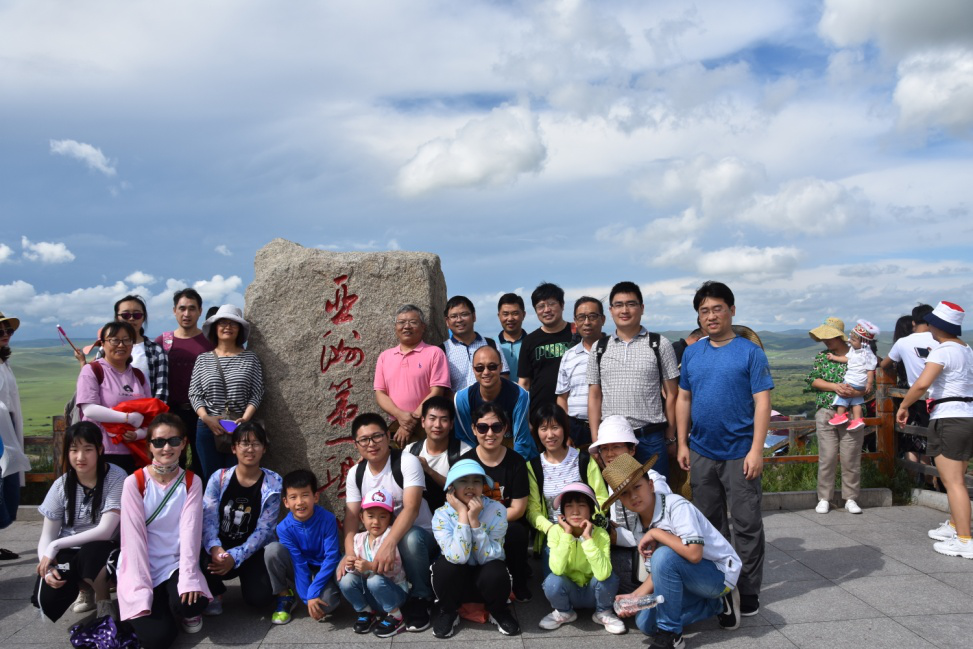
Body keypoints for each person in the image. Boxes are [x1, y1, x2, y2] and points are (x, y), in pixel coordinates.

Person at [675, 281, 772, 618]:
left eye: (717, 308)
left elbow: (763, 402)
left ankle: (749, 590)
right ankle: (721, 585)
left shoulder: (750, 352)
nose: (711, 316)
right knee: (709, 525)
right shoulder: (693, 352)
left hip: (740, 451)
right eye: (704, 311)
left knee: (746, 524)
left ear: (732, 310)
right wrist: (682, 442)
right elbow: (683, 398)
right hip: (701, 450)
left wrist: (757, 450)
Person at [603, 454, 742, 649]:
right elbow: (658, 571)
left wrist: (656, 533)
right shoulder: (637, 525)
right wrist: (635, 596)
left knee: (663, 555)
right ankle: (718, 604)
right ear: (620, 501)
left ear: (651, 485)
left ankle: (671, 635)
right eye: (625, 493)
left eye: (637, 487)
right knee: (646, 623)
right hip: (687, 580)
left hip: (718, 574)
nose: (633, 496)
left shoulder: (676, 505)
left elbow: (694, 554)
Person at [118, 413, 211, 649]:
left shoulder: (191, 481)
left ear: (184, 443)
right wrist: (141, 589)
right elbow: (133, 540)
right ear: (149, 445)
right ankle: (156, 603)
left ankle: (176, 606)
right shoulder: (135, 482)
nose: (166, 447)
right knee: (158, 639)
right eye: (159, 442)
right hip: (142, 564)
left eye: (173, 441)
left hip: (175, 563)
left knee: (191, 602)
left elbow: (190, 532)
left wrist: (189, 578)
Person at [341, 413, 436, 632]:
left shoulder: (406, 462)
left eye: (377, 436)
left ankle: (421, 598)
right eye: (364, 439)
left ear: (388, 436)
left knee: (409, 538)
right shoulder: (356, 473)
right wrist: (349, 554)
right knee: (347, 567)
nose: (371, 443)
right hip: (380, 540)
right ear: (356, 444)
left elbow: (411, 508)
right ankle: (378, 605)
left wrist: (389, 543)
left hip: (420, 538)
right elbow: (352, 517)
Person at [897, 302, 973, 558]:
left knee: (953, 482)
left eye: (931, 323)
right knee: (957, 478)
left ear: (938, 326)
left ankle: (964, 539)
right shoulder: (966, 349)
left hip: (949, 418)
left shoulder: (942, 351)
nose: (928, 327)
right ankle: (954, 525)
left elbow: (922, 385)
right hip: (967, 416)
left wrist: (904, 406)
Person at [33, 421, 125, 621]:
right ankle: (84, 588)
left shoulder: (116, 477)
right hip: (70, 547)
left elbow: (105, 531)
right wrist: (46, 567)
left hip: (104, 545)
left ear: (100, 450)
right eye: (74, 450)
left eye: (88, 449)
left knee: (92, 555)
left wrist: (55, 546)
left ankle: (103, 599)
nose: (80, 457)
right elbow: (47, 535)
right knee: (47, 600)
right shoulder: (61, 485)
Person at [588, 281, 680, 478]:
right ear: (611, 310)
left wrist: (670, 437)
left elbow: (673, 394)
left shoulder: (659, 344)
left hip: (651, 438)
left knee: (656, 491)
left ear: (642, 308)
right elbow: (594, 396)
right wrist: (596, 441)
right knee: (620, 495)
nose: (625, 310)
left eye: (631, 304)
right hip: (613, 441)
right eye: (619, 305)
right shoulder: (599, 347)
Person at [430, 459, 519, 638]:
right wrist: (463, 515)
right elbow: (458, 557)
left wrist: (475, 521)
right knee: (444, 567)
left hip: (486, 580)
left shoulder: (497, 510)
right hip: (457, 582)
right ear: (451, 487)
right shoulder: (441, 515)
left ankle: (498, 611)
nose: (470, 486)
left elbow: (488, 557)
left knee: (496, 569)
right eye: (463, 481)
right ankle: (448, 611)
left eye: (476, 481)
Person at [200, 422, 280, 615]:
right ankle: (215, 592)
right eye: (244, 443)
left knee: (260, 598)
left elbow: (265, 530)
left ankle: (249, 579)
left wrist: (235, 556)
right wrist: (216, 548)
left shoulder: (273, 482)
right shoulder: (219, 478)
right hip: (220, 547)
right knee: (202, 558)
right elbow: (208, 519)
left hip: (252, 551)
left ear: (264, 448)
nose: (250, 449)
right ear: (234, 448)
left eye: (256, 443)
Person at [588, 416, 672, 595]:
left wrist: (617, 536)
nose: (609, 454)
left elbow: (664, 534)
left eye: (616, 447)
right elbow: (624, 530)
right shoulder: (613, 484)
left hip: (661, 555)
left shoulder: (654, 482)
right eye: (604, 448)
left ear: (632, 449)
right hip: (635, 554)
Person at [459, 403, 531, 601]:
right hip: (471, 521)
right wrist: (476, 522)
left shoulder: (516, 462)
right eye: (482, 428)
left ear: (505, 428)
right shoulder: (464, 463)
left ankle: (519, 581)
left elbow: (518, 508)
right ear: (474, 429)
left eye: (496, 427)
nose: (489, 433)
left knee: (517, 531)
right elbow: (457, 503)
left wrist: (488, 521)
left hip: (505, 521)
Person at [189, 304, 264, 483]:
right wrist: (206, 418)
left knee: (238, 479)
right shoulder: (203, 359)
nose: (228, 327)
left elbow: (257, 392)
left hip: (239, 427)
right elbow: (194, 393)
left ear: (240, 329)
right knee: (211, 479)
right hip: (208, 427)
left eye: (233, 323)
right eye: (222, 323)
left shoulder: (250, 358)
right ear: (215, 327)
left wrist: (245, 419)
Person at [526, 403, 609, 564]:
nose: (550, 435)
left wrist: (588, 523)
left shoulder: (583, 460)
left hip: (586, 532)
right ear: (536, 432)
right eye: (543, 429)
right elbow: (532, 509)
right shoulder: (533, 467)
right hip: (555, 538)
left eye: (555, 427)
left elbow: (601, 499)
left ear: (565, 428)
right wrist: (551, 529)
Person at [803, 317, 869, 515]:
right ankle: (824, 497)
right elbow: (813, 380)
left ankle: (851, 498)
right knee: (828, 457)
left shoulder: (860, 355)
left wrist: (854, 392)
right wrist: (835, 387)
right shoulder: (823, 357)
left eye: (829, 337)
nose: (826, 341)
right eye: (824, 337)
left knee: (851, 457)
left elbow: (869, 385)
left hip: (852, 414)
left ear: (840, 337)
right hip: (826, 410)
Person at [539, 482, 625, 634]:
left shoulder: (601, 534)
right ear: (562, 513)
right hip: (569, 591)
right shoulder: (555, 532)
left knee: (609, 577)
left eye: (582, 505)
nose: (575, 511)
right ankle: (564, 612)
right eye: (569, 506)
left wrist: (587, 538)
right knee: (552, 581)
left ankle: (603, 612)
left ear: (591, 510)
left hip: (594, 592)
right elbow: (557, 569)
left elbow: (603, 574)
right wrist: (567, 534)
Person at [264, 469, 340, 624]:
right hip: (297, 567)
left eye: (305, 495)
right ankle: (285, 595)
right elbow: (298, 563)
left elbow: (331, 557)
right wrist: (308, 598)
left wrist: (313, 592)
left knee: (327, 604)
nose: (299, 502)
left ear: (315, 497)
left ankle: (317, 586)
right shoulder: (283, 528)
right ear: (286, 502)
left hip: (322, 567)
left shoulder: (328, 519)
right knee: (272, 550)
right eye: (293, 497)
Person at [76, 321, 152, 474]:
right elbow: (89, 409)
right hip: (101, 450)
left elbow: (150, 415)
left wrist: (139, 434)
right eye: (114, 340)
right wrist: (128, 418)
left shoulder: (138, 375)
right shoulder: (92, 370)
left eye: (126, 340)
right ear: (103, 344)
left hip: (134, 452)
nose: (121, 345)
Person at [373, 304, 450, 447]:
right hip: (394, 426)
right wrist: (400, 416)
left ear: (423, 327)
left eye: (413, 322)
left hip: (427, 425)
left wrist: (409, 422)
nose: (407, 326)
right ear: (395, 327)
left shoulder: (435, 353)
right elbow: (380, 393)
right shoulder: (385, 357)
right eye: (401, 322)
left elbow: (437, 391)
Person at [338, 487, 410, 637]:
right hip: (372, 596)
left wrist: (370, 566)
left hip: (394, 593)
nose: (376, 522)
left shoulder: (390, 536)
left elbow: (394, 568)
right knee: (345, 580)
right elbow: (356, 570)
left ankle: (396, 616)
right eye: (370, 516)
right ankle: (366, 612)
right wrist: (351, 564)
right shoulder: (358, 538)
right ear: (362, 517)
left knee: (374, 580)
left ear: (390, 518)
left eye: (382, 516)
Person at [156, 288, 214, 475]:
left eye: (192, 308)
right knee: (171, 463)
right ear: (174, 311)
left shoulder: (210, 341)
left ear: (200, 311)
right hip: (171, 412)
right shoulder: (163, 341)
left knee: (202, 463)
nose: (186, 314)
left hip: (202, 414)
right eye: (182, 308)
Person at [454, 345, 534, 460]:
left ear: (501, 367)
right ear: (473, 369)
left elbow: (521, 441)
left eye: (492, 367)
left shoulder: (519, 395)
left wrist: (513, 467)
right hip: (478, 455)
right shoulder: (462, 399)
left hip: (513, 451)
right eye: (480, 368)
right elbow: (466, 440)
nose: (486, 372)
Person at [92, 295, 169, 402]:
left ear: (143, 318)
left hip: (144, 411)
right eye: (126, 315)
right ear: (117, 317)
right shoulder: (104, 349)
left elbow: (161, 390)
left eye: (137, 315)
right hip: (107, 410)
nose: (131, 318)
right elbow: (95, 384)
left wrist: (153, 412)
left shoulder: (156, 351)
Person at [556, 297, 607, 448]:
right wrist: (565, 432)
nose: (587, 322)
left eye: (592, 316)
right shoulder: (569, 356)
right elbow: (562, 398)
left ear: (603, 319)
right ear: (575, 322)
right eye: (581, 317)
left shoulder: (614, 351)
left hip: (608, 427)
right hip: (576, 430)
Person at [404, 396, 471, 511]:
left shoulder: (464, 452)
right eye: (432, 418)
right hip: (417, 516)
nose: (437, 425)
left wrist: (429, 470)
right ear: (423, 422)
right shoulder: (410, 450)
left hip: (452, 516)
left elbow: (466, 490)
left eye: (444, 420)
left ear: (451, 424)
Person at [519, 282, 574, 414]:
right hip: (540, 413)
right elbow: (524, 383)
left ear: (562, 305)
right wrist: (524, 416)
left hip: (574, 413)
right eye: (541, 306)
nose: (547, 310)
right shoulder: (529, 341)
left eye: (551, 304)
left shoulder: (577, 333)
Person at [1, 311, 30, 558]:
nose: (5, 335)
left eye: (8, 330)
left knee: (6, 489)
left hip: (6, 429)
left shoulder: (3, 363)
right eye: (0, 331)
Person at [442, 295, 509, 393]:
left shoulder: (491, 345)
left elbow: (504, 376)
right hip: (456, 402)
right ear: (447, 321)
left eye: (464, 314)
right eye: (453, 316)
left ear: (474, 316)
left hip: (490, 402)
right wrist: (459, 401)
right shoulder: (442, 350)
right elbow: (442, 388)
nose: (459, 320)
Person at [826, 320, 880, 431]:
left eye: (853, 340)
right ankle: (857, 419)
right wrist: (834, 357)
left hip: (852, 380)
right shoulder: (859, 352)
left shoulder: (867, 355)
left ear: (864, 342)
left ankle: (840, 416)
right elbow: (848, 359)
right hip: (860, 383)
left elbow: (870, 371)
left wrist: (869, 383)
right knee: (857, 401)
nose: (850, 341)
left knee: (843, 396)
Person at [497, 293, 527, 382]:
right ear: (499, 316)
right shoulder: (491, 344)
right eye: (505, 314)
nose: (510, 318)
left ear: (523, 315)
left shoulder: (532, 342)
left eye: (515, 313)